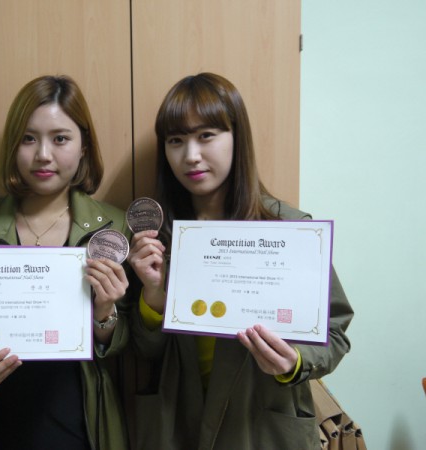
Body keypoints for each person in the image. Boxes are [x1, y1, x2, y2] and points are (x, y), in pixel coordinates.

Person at [127, 73, 354, 450]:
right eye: (176, 140)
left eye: (206, 135)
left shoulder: (289, 230)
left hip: (260, 427)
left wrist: (294, 362)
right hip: (178, 425)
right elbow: (144, 351)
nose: (191, 156)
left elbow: (336, 333)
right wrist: (153, 294)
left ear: (237, 137)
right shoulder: (157, 238)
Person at [0, 75, 130, 450]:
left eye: (60, 139)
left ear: (83, 146)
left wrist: (105, 312)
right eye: (29, 138)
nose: (43, 154)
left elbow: (127, 344)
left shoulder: (112, 226)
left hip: (80, 423)